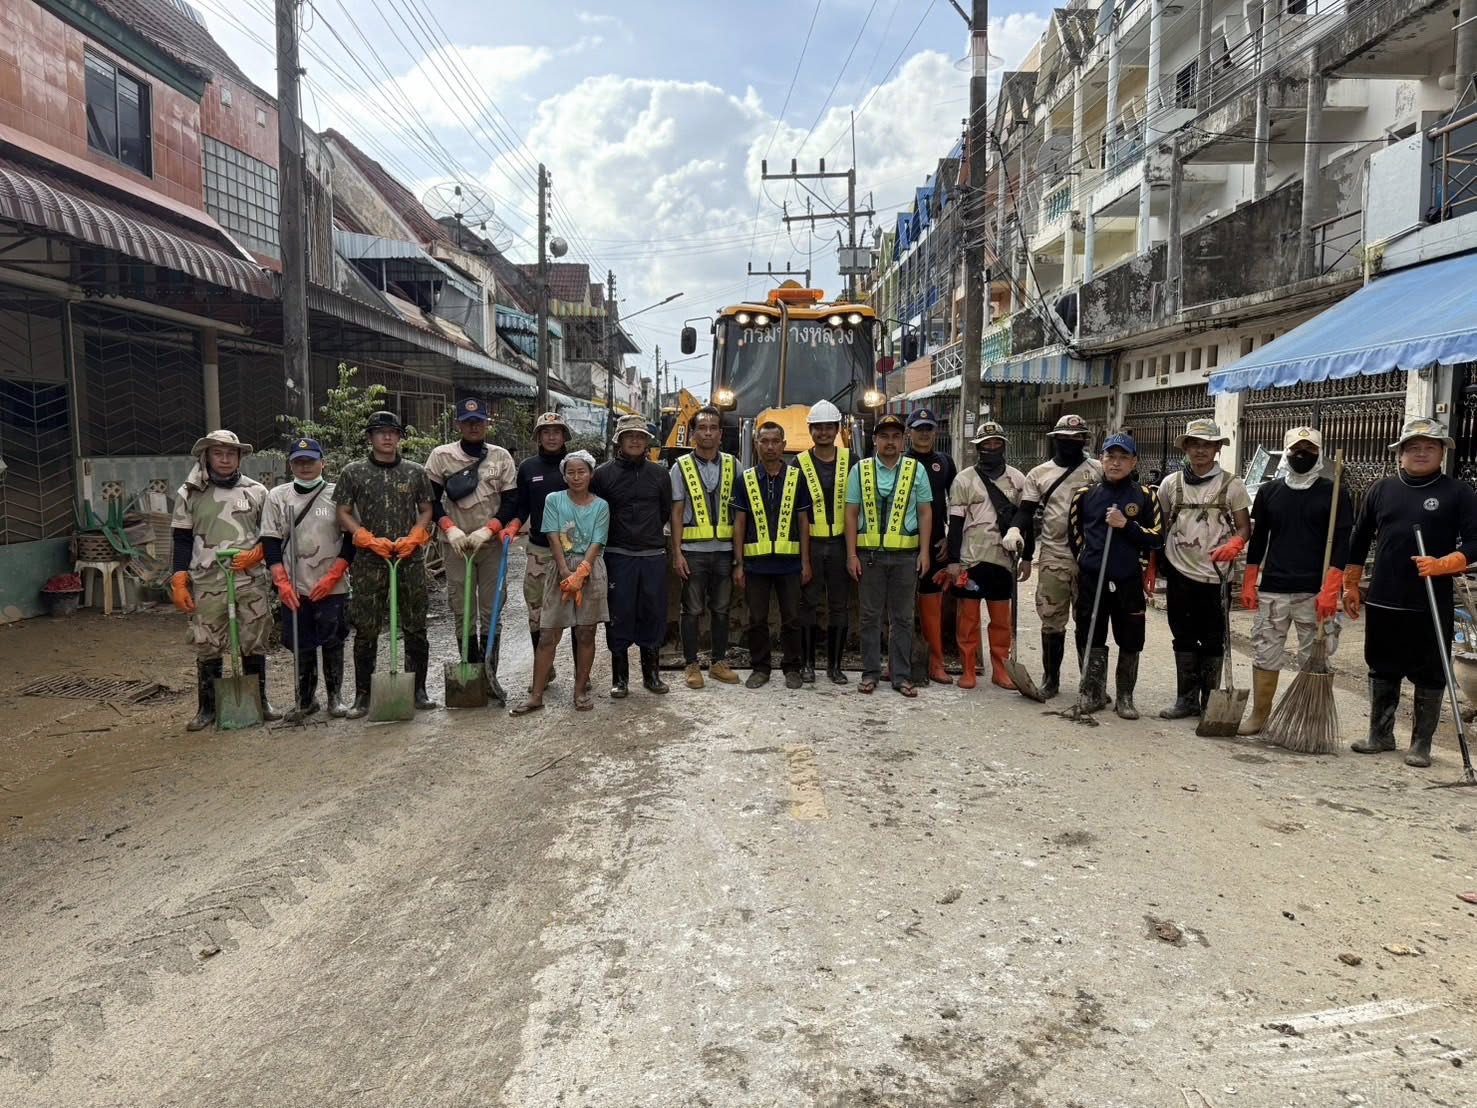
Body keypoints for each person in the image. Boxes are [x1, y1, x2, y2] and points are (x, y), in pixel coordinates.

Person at [1345, 417, 1477, 767]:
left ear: (1442, 452)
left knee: (1431, 672)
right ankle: (1380, 735)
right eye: (1413, 447)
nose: (1421, 453)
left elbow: (1475, 541)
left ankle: (1421, 744)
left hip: (1430, 599)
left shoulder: (1458, 492)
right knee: (1381, 668)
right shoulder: (1381, 489)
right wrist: (1350, 584)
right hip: (1384, 597)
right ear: (1400, 454)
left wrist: (1446, 563)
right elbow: (1359, 538)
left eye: (1430, 447)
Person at [1237, 427, 1352, 735]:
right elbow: (1259, 539)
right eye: (1296, 449)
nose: (1302, 455)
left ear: (1319, 453)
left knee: (1316, 657)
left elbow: (1342, 542)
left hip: (1314, 591)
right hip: (1274, 588)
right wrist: (1249, 581)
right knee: (1265, 652)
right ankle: (1259, 716)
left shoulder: (1334, 491)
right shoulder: (1269, 492)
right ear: (1286, 452)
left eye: (1309, 450)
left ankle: (1311, 721)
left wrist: (1332, 589)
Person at [170, 430, 278, 729]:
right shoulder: (189, 493)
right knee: (207, 641)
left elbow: (271, 534)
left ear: (240, 457)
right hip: (208, 580)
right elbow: (181, 539)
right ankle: (207, 707)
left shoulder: (257, 491)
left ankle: (259, 700)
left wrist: (257, 554)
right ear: (207, 456)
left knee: (254, 639)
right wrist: (179, 579)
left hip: (250, 580)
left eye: (231, 453)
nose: (225, 459)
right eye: (218, 453)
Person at [334, 410, 437, 716]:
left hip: (408, 558)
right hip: (369, 560)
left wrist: (416, 534)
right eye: (381, 432)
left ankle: (418, 690)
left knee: (415, 625)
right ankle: (363, 695)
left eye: (393, 432)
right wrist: (362, 535)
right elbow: (343, 511)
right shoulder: (353, 472)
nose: (388, 437)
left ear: (399, 437)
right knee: (366, 627)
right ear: (370, 437)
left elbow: (426, 509)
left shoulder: (415, 472)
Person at [1153, 419, 1252, 721]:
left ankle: (1210, 701)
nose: (1200, 450)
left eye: (1207, 445)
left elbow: (1244, 527)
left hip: (1216, 576)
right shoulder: (1171, 484)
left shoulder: (1232, 485)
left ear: (1217, 448)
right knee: (1182, 636)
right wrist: (1154, 565)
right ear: (1185, 447)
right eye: (1194, 444)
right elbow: (1162, 526)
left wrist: (1235, 543)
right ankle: (1186, 700)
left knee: (1212, 638)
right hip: (1179, 572)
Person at [424, 397, 521, 704]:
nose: (474, 426)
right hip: (456, 546)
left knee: (491, 610)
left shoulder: (501, 457)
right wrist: (448, 527)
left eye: (479, 421)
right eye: (468, 422)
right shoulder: (441, 456)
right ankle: (470, 674)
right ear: (458, 425)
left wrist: (489, 529)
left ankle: (489, 675)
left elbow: (512, 502)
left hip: (490, 545)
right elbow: (430, 500)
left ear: (486, 423)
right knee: (462, 608)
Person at [1066, 432, 1163, 718]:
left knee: (1131, 638)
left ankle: (1125, 697)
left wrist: (1126, 525)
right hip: (1092, 579)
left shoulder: (1145, 496)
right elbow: (1075, 536)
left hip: (1128, 580)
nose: (1116, 463)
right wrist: (1088, 562)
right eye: (1111, 456)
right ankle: (1093, 692)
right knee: (1090, 633)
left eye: (1123, 457)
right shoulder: (1085, 495)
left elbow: (1157, 538)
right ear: (1101, 459)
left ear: (1134, 462)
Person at [260, 437, 356, 722]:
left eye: (310, 461)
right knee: (301, 642)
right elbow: (270, 541)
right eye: (299, 462)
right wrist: (281, 582)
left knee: (333, 639)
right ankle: (305, 699)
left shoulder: (338, 494)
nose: (305, 466)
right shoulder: (278, 496)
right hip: (294, 585)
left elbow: (352, 539)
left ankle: (335, 698)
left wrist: (333, 576)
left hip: (332, 583)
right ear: (291, 465)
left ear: (322, 463)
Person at [511, 451, 609, 715]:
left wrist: (581, 573)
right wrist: (566, 571)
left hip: (591, 569)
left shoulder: (601, 506)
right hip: (559, 567)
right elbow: (553, 536)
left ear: (591, 474)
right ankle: (536, 695)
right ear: (564, 476)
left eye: (582, 472)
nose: (576, 477)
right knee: (548, 633)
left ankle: (580, 691)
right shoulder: (553, 499)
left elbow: (597, 541)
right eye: (571, 472)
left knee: (586, 631)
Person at [1013, 414, 1102, 698]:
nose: (1070, 443)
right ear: (1055, 440)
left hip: (1091, 557)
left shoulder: (1098, 470)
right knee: (1051, 618)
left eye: (1077, 439)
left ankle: (1091, 683)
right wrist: (1017, 533)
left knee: (1089, 620)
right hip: (1054, 555)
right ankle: (1051, 680)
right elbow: (1026, 512)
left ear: (1084, 440)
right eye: (1064, 439)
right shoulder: (1039, 474)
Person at [846, 412, 933, 697]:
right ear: (874, 440)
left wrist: (924, 552)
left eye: (896, 436)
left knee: (903, 619)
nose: (890, 442)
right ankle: (870, 673)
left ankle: (901, 675)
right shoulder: (860, 470)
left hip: (905, 557)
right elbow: (851, 513)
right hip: (869, 557)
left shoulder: (915, 470)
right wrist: (851, 555)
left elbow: (925, 512)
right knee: (869, 617)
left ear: (903, 440)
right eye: (884, 436)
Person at [592, 413, 672, 697]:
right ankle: (620, 678)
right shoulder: (602, 475)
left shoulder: (660, 475)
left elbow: (664, 511)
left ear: (647, 442)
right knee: (619, 614)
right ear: (620, 441)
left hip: (652, 555)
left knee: (653, 613)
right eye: (630, 436)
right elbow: (597, 512)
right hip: (618, 555)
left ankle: (652, 676)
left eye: (640, 436)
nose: (635, 441)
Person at [944, 422, 1028, 689]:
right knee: (968, 620)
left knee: (1001, 621)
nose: (991, 447)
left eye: (996, 443)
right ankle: (968, 669)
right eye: (986, 444)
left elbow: (1026, 519)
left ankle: (1001, 670)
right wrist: (953, 561)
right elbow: (955, 524)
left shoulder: (1017, 479)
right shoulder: (964, 479)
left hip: (1003, 560)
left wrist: (1027, 557)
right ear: (978, 447)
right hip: (971, 560)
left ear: (1004, 445)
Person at [733, 421, 812, 689]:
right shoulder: (745, 479)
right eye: (764, 441)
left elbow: (803, 521)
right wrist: (739, 564)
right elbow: (739, 523)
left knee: (792, 619)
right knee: (757, 619)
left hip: (789, 565)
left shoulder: (797, 478)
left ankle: (792, 667)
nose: (770, 447)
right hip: (756, 566)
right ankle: (760, 667)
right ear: (756, 445)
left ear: (783, 445)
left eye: (775, 441)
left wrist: (805, 562)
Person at [670, 406, 741, 689]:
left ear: (721, 434)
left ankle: (718, 662)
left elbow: (740, 514)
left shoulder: (734, 465)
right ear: (693, 434)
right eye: (702, 428)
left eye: (713, 428)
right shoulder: (680, 467)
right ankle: (691, 664)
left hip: (724, 552)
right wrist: (677, 552)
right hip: (694, 552)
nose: (708, 433)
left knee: (722, 609)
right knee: (692, 609)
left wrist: (739, 558)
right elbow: (676, 512)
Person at [506, 411, 572, 676]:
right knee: (536, 611)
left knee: (575, 613)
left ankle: (582, 672)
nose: (551, 437)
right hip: (538, 550)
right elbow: (522, 506)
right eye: (546, 432)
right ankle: (543, 669)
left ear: (564, 436)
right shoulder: (528, 468)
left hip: (572, 551)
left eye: (556, 432)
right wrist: (512, 526)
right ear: (538, 437)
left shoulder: (574, 465)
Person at [796, 399, 856, 684]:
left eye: (828, 427)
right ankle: (807, 664)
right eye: (818, 427)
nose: (823, 432)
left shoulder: (852, 460)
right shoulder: (799, 463)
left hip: (842, 545)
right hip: (813, 545)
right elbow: (797, 512)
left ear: (837, 430)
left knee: (839, 606)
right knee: (808, 605)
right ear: (810, 430)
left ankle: (835, 666)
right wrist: (804, 558)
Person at [905, 407, 958, 684]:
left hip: (936, 544)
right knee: (899, 608)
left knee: (931, 607)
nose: (924, 434)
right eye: (919, 429)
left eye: (928, 429)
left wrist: (951, 539)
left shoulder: (945, 463)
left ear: (936, 432)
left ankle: (936, 663)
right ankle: (898, 662)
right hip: (903, 543)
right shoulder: (899, 461)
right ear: (909, 433)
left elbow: (957, 504)